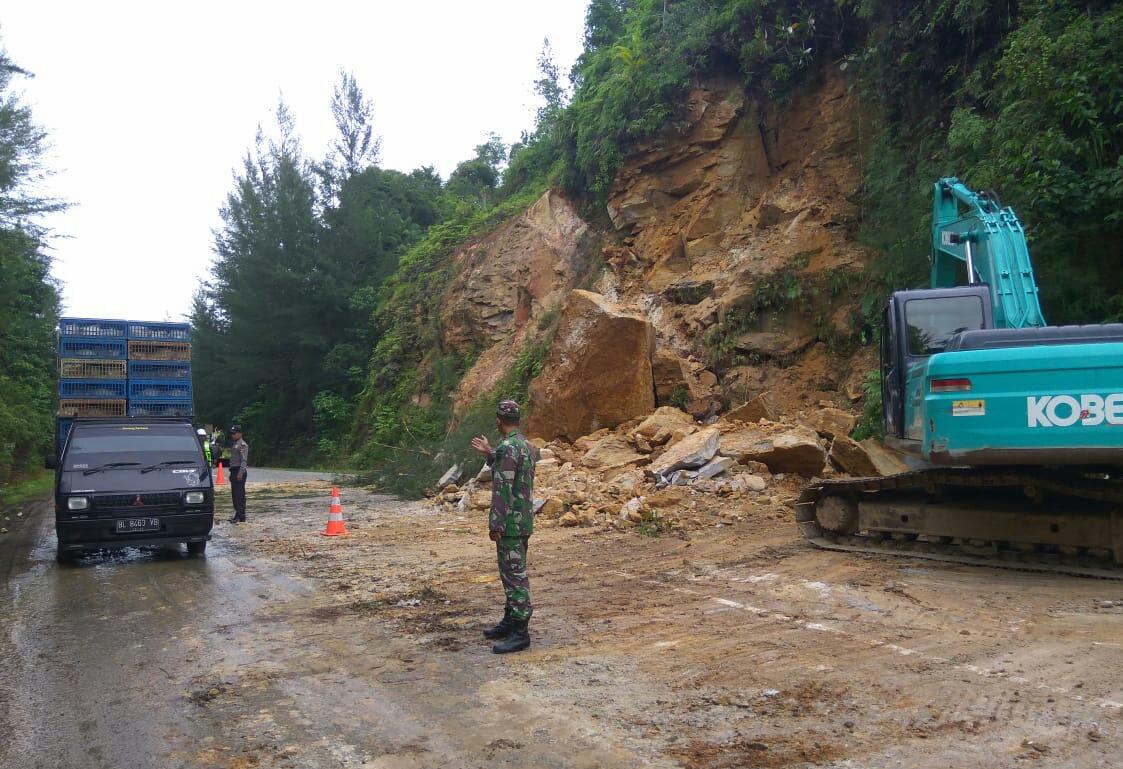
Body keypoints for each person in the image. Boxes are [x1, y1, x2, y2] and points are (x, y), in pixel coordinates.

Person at [471, 400, 537, 654]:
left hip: (510, 523)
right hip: (523, 520)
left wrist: (495, 522)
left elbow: (503, 488)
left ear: (499, 420)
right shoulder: (525, 446)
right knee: (512, 573)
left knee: (514, 577)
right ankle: (511, 621)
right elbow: (511, 468)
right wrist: (490, 453)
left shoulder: (509, 447)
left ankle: (520, 632)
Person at [228, 425, 249, 523]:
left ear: (240, 433)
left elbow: (243, 460)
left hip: (239, 471)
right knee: (234, 495)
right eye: (232, 433)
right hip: (234, 471)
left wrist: (240, 473)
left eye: (234, 433)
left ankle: (241, 515)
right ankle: (238, 514)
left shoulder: (242, 445)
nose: (232, 435)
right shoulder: (235, 443)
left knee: (239, 495)